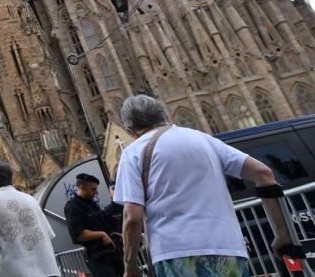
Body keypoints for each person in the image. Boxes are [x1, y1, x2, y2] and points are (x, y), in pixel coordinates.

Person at [114, 94, 292, 277]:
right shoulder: (203, 139)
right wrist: (281, 233)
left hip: (177, 254)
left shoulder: (133, 153)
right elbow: (264, 174)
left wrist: (130, 265)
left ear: (131, 130)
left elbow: (133, 217)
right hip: (229, 249)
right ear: (164, 115)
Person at [0, 161, 59, 277]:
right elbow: (47, 233)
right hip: (47, 269)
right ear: (12, 178)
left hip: (14, 271)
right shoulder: (30, 199)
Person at [64, 173, 124, 277]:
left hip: (113, 254)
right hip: (98, 257)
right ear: (82, 187)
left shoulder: (93, 204)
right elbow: (78, 235)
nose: (96, 192)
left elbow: (106, 224)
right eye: (93, 189)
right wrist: (101, 234)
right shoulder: (73, 207)